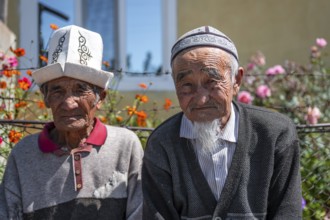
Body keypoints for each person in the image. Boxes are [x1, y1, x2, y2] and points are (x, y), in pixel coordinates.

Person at [142, 26, 302, 219]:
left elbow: (287, 214)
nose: (201, 99)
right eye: (187, 85)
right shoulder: (162, 144)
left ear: (236, 80)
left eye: (212, 81)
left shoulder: (275, 134)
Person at [0, 25, 143, 219]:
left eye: (80, 89)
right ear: (45, 97)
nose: (68, 104)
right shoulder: (23, 155)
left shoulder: (125, 146)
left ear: (100, 97)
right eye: (57, 91)